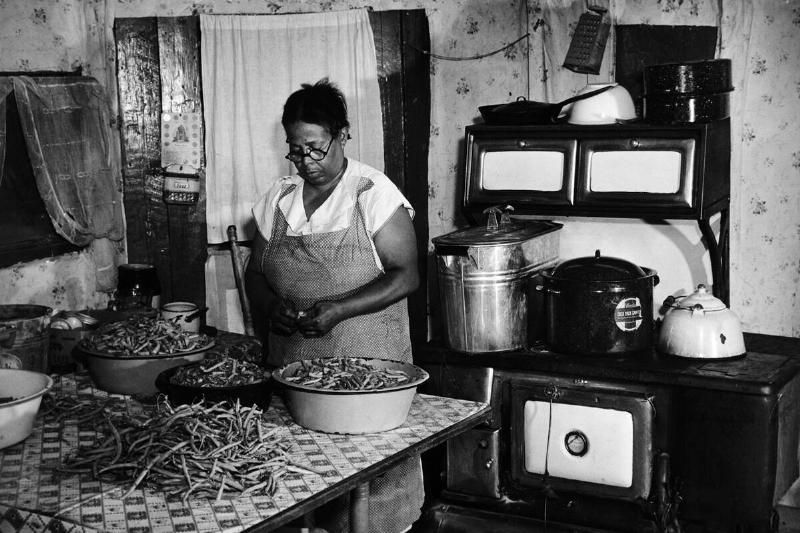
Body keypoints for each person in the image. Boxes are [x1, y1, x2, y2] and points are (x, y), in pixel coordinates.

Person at [245, 78, 423, 533]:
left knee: (369, 497)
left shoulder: (373, 194)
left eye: (316, 148)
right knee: (299, 488)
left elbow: (407, 274)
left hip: (369, 381)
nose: (305, 162)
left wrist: (339, 309)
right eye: (295, 150)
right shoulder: (280, 198)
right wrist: (271, 307)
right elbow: (256, 274)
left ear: (342, 135)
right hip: (294, 375)